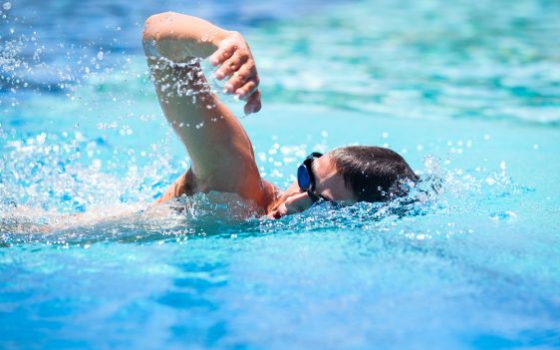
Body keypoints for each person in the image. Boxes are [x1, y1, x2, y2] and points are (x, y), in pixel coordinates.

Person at [142, 12, 418, 219]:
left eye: (320, 203)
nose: (293, 200)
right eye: (305, 177)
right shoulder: (236, 186)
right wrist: (221, 40)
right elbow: (156, 37)